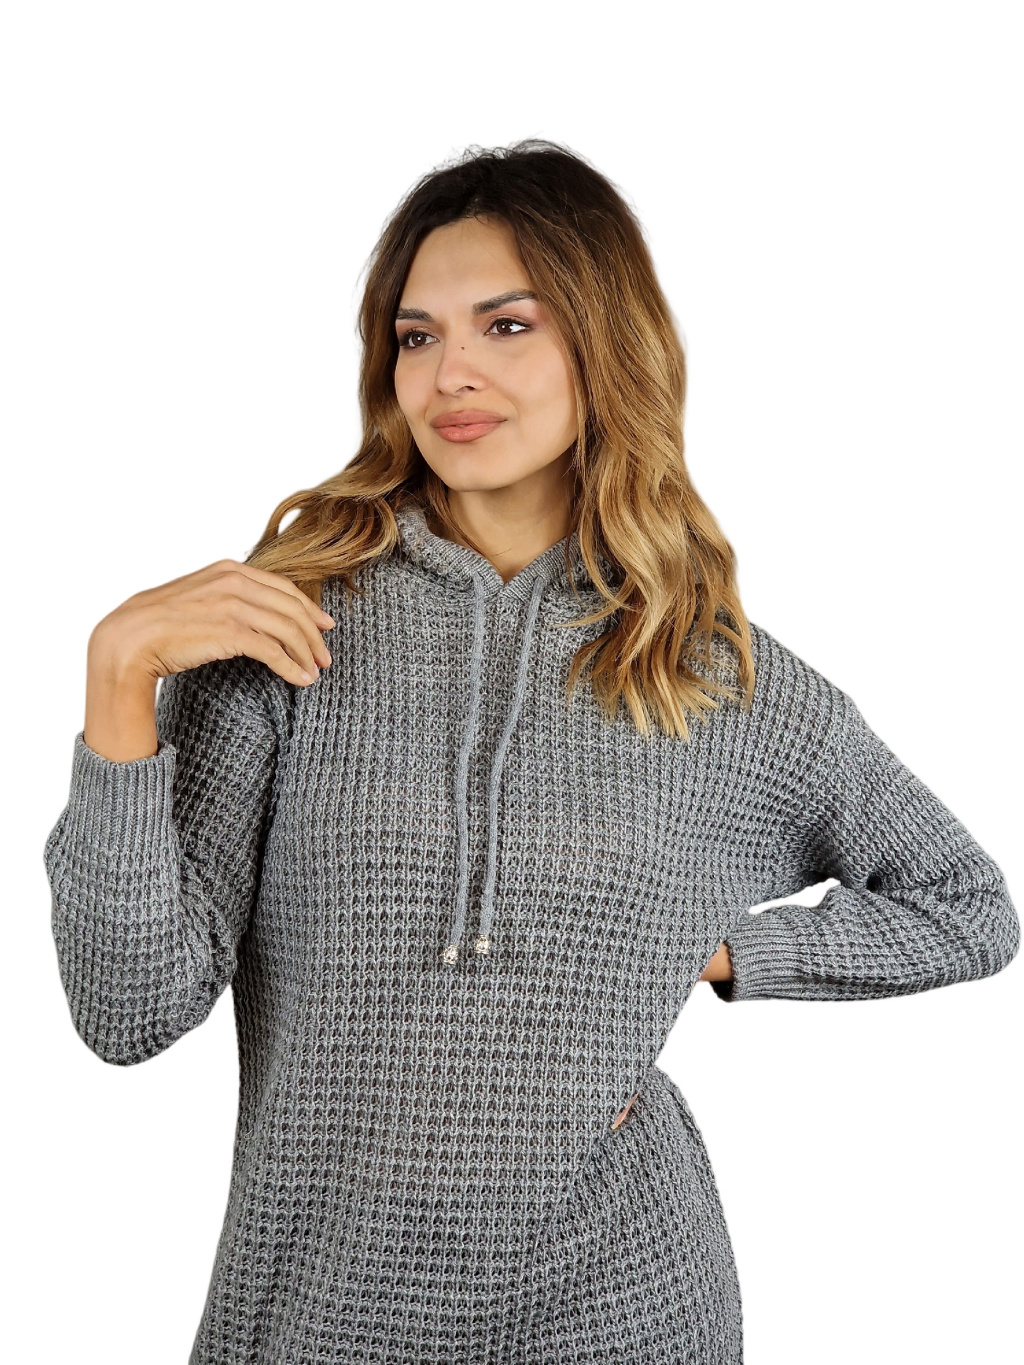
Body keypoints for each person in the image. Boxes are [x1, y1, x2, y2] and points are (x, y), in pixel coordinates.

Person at [43, 139, 1019, 1365]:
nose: (450, 373)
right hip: (318, 1315)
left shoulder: (710, 674)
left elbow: (966, 908)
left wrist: (719, 952)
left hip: (625, 1310)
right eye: (416, 337)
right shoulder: (287, 628)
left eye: (507, 326)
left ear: (604, 343)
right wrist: (119, 676)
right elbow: (127, 1010)